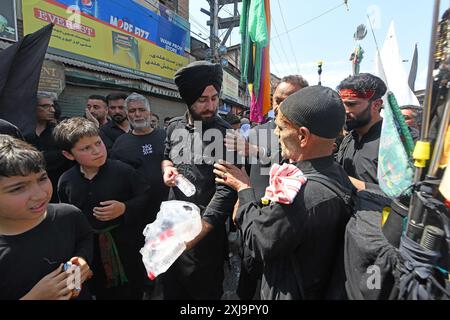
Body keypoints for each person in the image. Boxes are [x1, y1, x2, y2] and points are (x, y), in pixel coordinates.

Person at [213, 86, 355, 300]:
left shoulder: (302, 195)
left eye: (280, 128)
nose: (276, 134)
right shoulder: (337, 174)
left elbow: (258, 240)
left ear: (303, 136)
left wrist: (244, 190)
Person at [225, 75, 309, 299]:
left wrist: (259, 153)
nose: (281, 105)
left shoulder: (308, 137)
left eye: (289, 99)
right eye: (277, 99)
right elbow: (244, 173)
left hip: (286, 224)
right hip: (254, 217)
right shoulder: (255, 133)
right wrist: (239, 202)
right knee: (248, 276)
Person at [159, 61, 238, 299]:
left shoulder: (226, 136)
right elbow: (165, 158)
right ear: (188, 98)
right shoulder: (173, 127)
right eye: (203, 99)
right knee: (172, 288)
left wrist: (199, 232)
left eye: (214, 98)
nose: (211, 105)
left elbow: (226, 191)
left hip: (205, 233)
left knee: (203, 291)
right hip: (172, 225)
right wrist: (167, 170)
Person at [54, 117, 150, 300]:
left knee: (131, 289)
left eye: (98, 143)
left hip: (127, 246)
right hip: (90, 250)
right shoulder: (66, 181)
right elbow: (68, 220)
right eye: (86, 148)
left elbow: (145, 196)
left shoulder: (123, 171)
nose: (97, 151)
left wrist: (125, 208)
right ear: (69, 154)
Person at [0, 135, 93, 300]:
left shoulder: (69, 216)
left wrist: (81, 260)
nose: (39, 194)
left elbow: (84, 239)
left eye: (42, 178)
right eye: (17, 188)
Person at [110, 93, 168, 227]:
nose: (137, 114)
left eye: (142, 110)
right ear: (127, 114)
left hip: (166, 207)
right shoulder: (120, 143)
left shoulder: (165, 136)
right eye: (132, 111)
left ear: (150, 113)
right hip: (137, 212)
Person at [336, 73, 387, 191]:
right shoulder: (349, 138)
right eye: (341, 104)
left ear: (376, 104)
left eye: (351, 104)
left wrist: (342, 180)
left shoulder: (394, 142)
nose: (344, 111)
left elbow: (403, 196)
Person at [24, 92, 72, 202]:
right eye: (45, 106)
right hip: (27, 190)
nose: (52, 110)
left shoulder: (59, 132)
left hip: (55, 189)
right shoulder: (21, 132)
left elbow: (64, 157)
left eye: (52, 106)